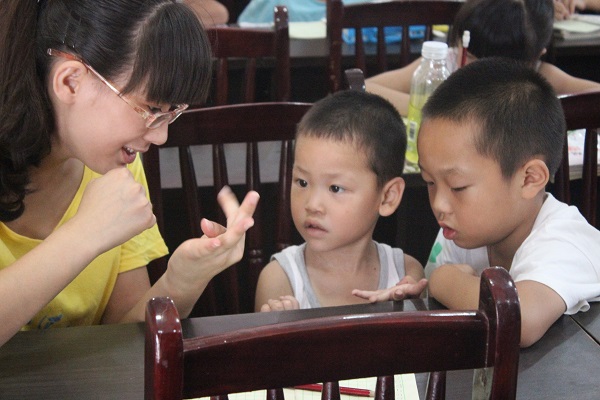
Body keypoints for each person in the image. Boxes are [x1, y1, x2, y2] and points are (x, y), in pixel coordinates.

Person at [0, 0, 259, 347]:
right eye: (151, 109)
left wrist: (182, 280)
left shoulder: (115, 167)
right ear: (71, 82)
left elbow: (120, 335)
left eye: (171, 113)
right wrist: (85, 233)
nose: (160, 136)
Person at [419, 57, 600, 347]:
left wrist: (443, 280)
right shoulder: (461, 228)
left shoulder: (566, 241)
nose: (439, 203)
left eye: (457, 187)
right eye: (429, 181)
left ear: (529, 179)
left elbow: (518, 320)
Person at [255, 90, 427, 312]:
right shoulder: (279, 280)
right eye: (302, 182)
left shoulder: (406, 274)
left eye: (335, 188)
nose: (312, 205)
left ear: (387, 197)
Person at [365, 0, 600, 116]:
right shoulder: (443, 66)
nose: (485, 73)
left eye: (504, 66)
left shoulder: (541, 75)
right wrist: (433, 109)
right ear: (459, 42)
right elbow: (365, 88)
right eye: (472, 57)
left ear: (538, 55)